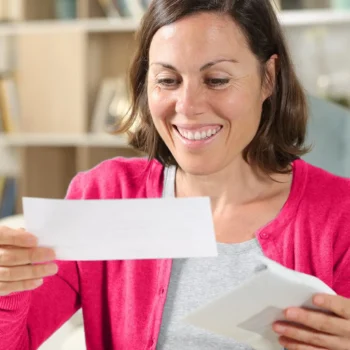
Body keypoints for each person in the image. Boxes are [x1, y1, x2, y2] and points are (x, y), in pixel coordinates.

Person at [1, 0, 350, 349]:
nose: (187, 105)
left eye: (216, 80)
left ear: (268, 79)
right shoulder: (107, 193)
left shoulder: (340, 216)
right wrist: (7, 288)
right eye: (167, 80)